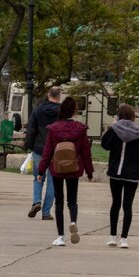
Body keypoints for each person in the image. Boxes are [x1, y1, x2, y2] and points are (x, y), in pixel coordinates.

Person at [37, 96, 93, 246]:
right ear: (74, 111)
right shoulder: (80, 129)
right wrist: (89, 171)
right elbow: (86, 152)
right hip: (74, 168)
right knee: (72, 200)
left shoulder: (54, 129)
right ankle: (73, 221)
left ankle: (60, 237)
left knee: (59, 202)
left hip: (57, 169)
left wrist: (41, 171)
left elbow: (47, 152)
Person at [100, 104, 139, 247]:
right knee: (127, 206)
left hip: (115, 172)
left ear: (119, 116)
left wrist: (112, 126)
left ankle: (112, 236)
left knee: (115, 204)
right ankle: (124, 238)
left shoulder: (114, 130)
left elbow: (105, 145)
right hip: (132, 174)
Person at [24, 86, 62, 220]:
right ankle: (46, 213)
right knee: (53, 182)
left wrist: (29, 146)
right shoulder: (62, 111)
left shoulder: (38, 109)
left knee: (38, 178)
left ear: (48, 94)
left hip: (39, 149)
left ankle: (36, 201)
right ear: (59, 96)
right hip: (57, 151)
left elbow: (31, 129)